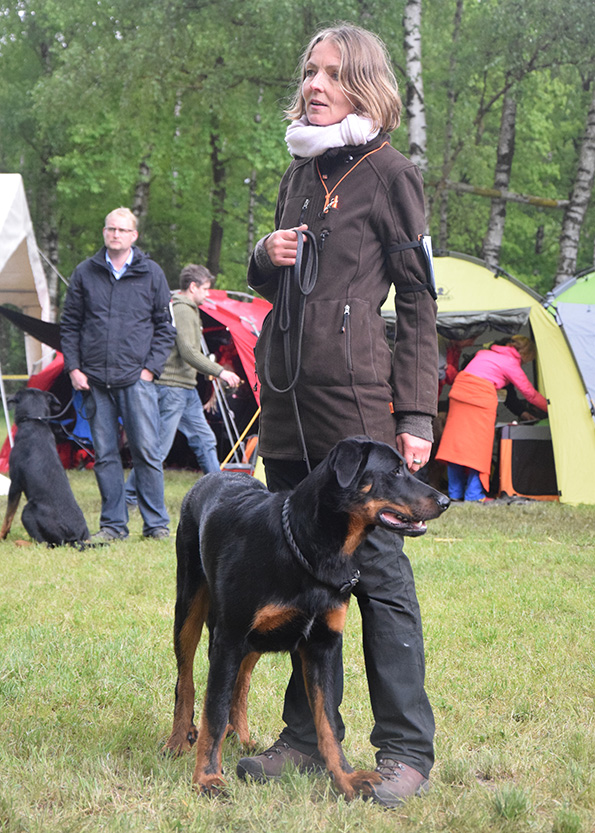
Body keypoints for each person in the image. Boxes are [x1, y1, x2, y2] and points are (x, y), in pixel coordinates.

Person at [236, 24, 439, 809]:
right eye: (309, 72)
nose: (314, 84)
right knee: (297, 568)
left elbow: (419, 301)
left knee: (377, 572)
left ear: (364, 83)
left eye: (332, 73)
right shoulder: (299, 167)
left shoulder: (390, 173)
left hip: (354, 408)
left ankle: (404, 750)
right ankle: (302, 738)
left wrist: (415, 408)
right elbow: (272, 282)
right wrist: (265, 251)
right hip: (283, 398)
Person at [60, 207, 175, 542]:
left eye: (122, 230)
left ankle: (156, 525)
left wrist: (149, 371)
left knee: (147, 453)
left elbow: (165, 329)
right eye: (111, 229)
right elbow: (70, 325)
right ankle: (113, 526)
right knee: (106, 455)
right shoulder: (85, 272)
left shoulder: (152, 273)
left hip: (136, 380)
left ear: (134, 236)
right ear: (104, 232)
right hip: (95, 380)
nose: (115, 235)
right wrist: (74, 368)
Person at [125, 264, 240, 503]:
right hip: (172, 388)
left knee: (205, 440)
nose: (208, 294)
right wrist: (221, 372)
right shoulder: (184, 309)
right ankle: (129, 495)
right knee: (157, 449)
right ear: (193, 287)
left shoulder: (185, 308)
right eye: (206, 289)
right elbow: (188, 351)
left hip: (184, 388)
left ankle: (222, 494)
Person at [435, 335, 548, 501]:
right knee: (478, 451)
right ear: (524, 354)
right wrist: (551, 408)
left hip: (458, 395)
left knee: (455, 448)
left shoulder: (484, 353)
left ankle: (455, 494)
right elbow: (530, 394)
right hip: (479, 401)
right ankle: (474, 495)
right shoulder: (511, 363)